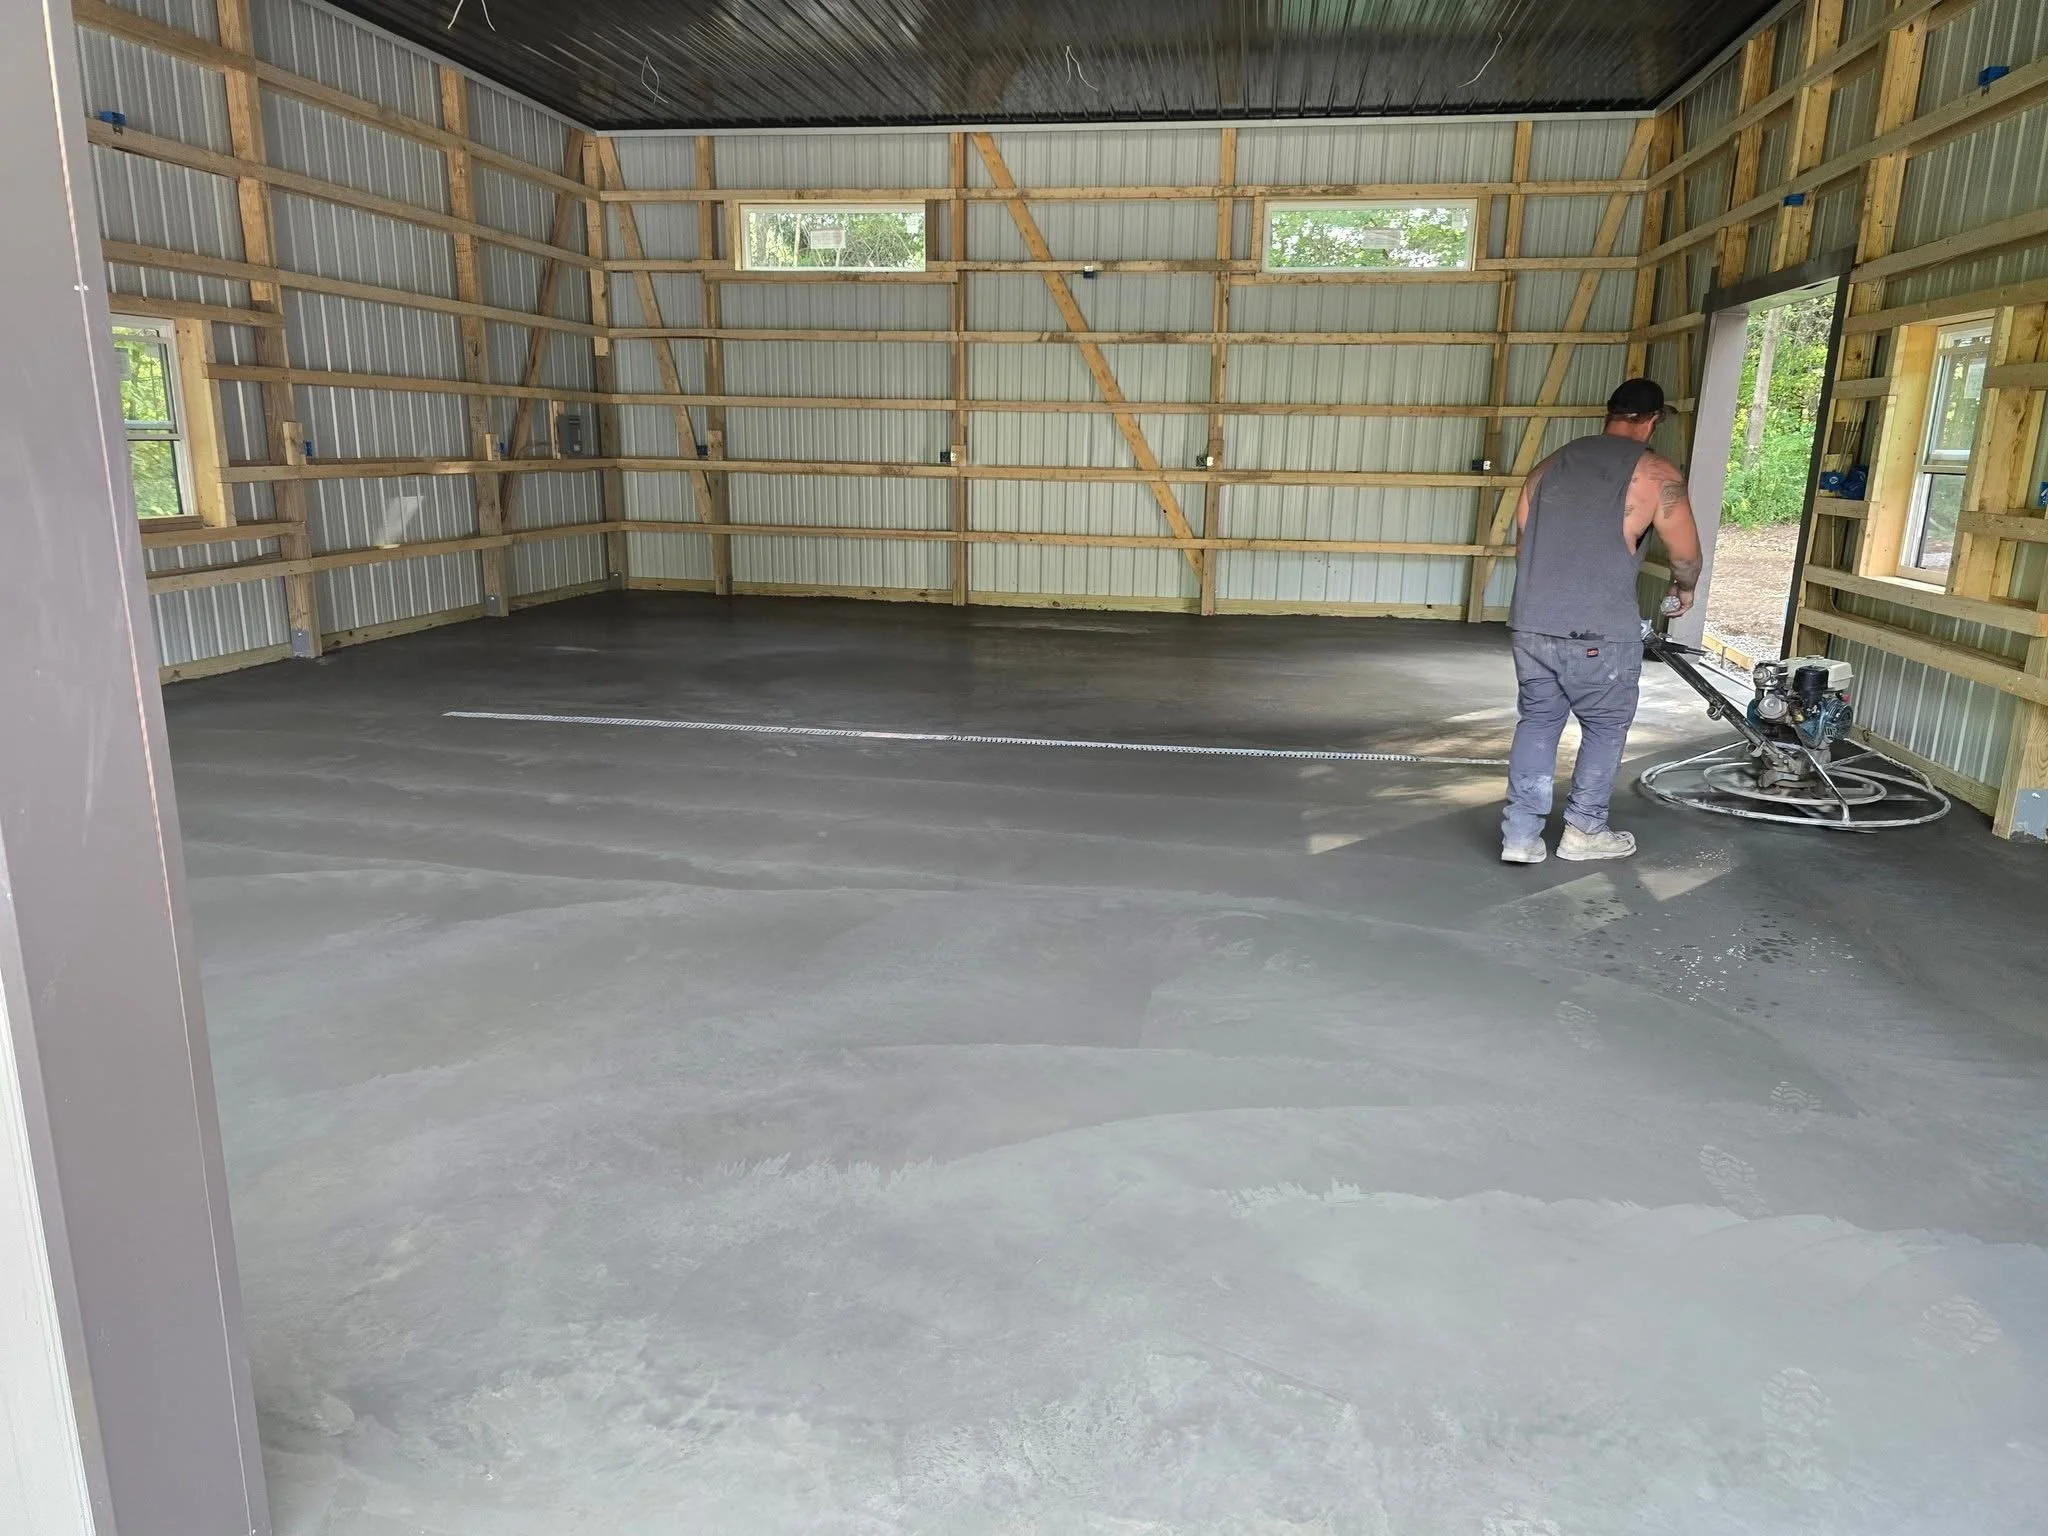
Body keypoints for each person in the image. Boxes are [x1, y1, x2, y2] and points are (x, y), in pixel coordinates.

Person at [1500, 377, 1702, 865]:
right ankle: (1583, 831)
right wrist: (1685, 589)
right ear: (1655, 420)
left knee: (1538, 722)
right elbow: (1685, 556)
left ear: (1608, 414)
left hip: (1532, 623)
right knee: (1606, 725)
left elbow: (1524, 545)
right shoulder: (1656, 475)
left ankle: (1521, 837)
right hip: (1598, 631)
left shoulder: (1548, 466)